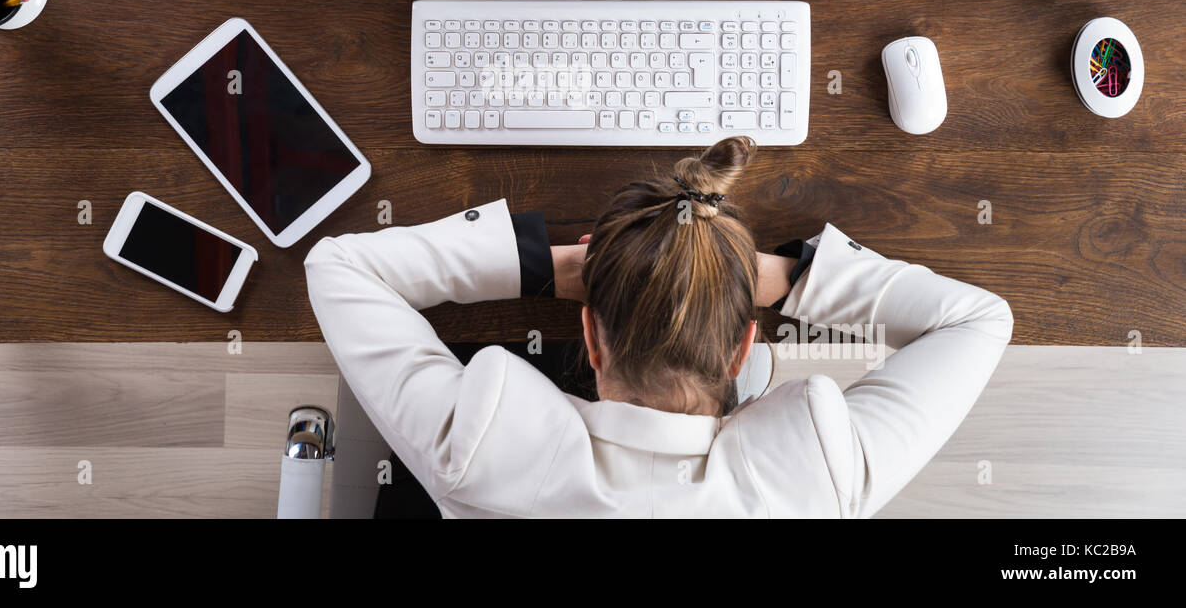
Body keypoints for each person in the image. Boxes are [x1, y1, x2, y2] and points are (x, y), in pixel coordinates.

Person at [305, 136, 1013, 517]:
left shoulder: (476, 449)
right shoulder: (820, 477)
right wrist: (784, 276)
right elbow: (979, 319)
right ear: (742, 346)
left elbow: (337, 267)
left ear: (589, 334)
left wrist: (545, 266)